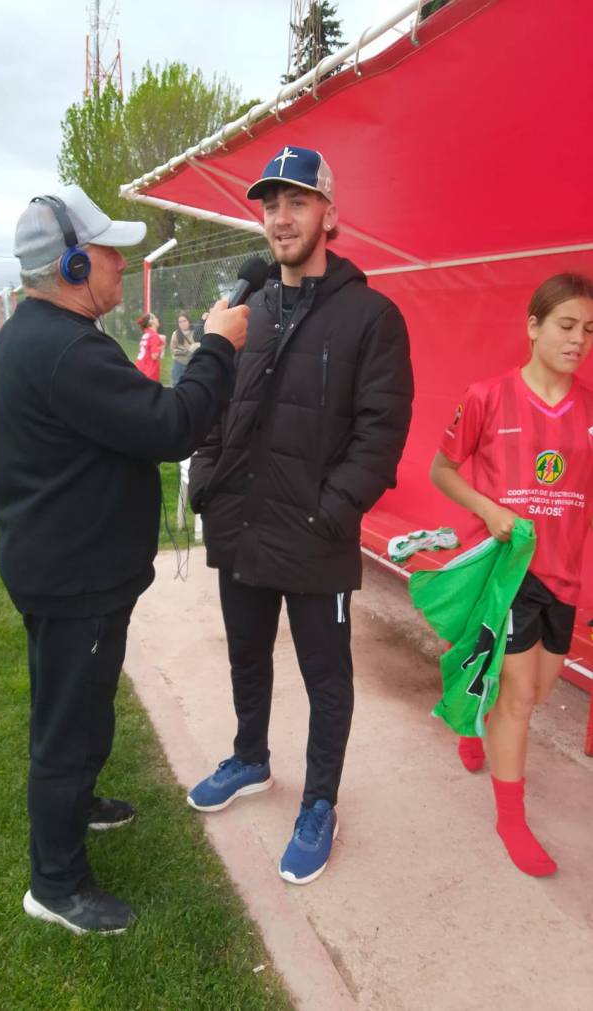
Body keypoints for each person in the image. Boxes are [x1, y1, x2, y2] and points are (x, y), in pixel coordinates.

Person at [0, 184, 248, 935]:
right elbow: (170, 424)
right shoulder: (65, 348)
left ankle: (77, 808)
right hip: (75, 579)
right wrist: (220, 345)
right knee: (67, 729)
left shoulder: (39, 333)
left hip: (62, 568)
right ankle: (56, 883)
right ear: (71, 263)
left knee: (73, 711)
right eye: (107, 253)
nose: (117, 263)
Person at [186, 145, 414, 885]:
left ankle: (319, 802)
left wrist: (330, 511)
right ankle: (250, 757)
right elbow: (219, 400)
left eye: (297, 201)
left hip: (316, 538)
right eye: (269, 204)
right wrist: (211, 482)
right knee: (246, 655)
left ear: (330, 214)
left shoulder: (372, 317)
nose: (281, 217)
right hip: (244, 526)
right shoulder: (246, 310)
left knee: (326, 679)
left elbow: (381, 434)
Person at [429, 272, 593, 876]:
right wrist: (490, 510)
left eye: (590, 330)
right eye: (567, 325)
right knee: (521, 699)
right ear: (533, 327)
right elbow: (442, 469)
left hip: (566, 578)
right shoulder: (488, 396)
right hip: (507, 574)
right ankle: (512, 819)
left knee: (538, 691)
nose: (579, 340)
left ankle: (477, 719)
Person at [170, 312, 199, 385]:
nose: (183, 323)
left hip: (193, 365)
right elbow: (173, 350)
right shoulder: (176, 334)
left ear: (189, 321)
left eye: (184, 321)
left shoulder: (196, 332)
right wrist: (188, 350)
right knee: (176, 384)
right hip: (179, 364)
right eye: (180, 322)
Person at [135, 312, 165, 381]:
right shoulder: (154, 335)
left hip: (140, 370)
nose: (157, 319)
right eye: (154, 317)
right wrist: (162, 345)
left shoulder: (146, 334)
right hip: (149, 373)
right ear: (151, 322)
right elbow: (154, 356)